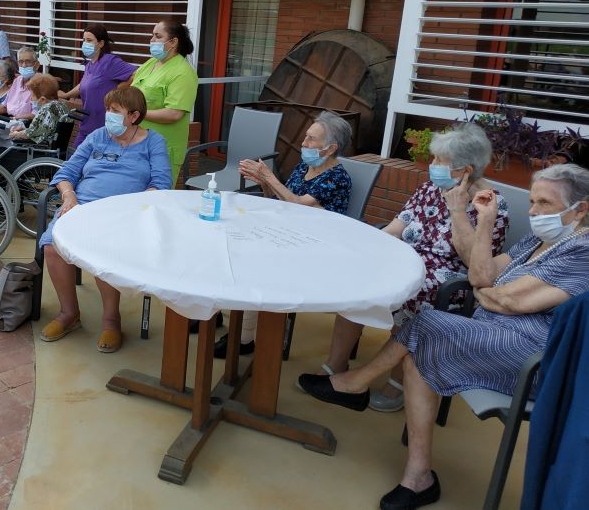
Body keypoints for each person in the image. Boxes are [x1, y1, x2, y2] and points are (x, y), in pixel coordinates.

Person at [297, 163, 589, 510]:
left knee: (427, 324)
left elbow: (509, 300)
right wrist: (485, 224)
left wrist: (489, 293)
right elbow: (482, 276)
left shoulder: (582, 252)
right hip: (493, 335)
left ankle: (353, 384)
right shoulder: (538, 240)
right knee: (420, 355)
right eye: (533, 202)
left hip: (535, 361)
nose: (534, 212)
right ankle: (419, 477)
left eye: (545, 203)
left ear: (580, 209)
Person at [307, 122, 510, 412]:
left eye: (440, 161)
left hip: (447, 279)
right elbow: (395, 228)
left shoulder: (490, 205)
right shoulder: (430, 188)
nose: (433, 165)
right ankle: (336, 365)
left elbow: (472, 262)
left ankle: (398, 382)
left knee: (418, 292)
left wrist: (457, 210)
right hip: (403, 260)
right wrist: (363, 246)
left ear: (465, 170)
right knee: (358, 279)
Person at [39, 87, 172, 353]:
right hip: (82, 206)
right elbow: (67, 172)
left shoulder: (153, 142)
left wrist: (135, 207)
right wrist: (69, 197)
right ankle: (69, 313)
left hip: (123, 213)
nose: (108, 115)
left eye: (115, 111)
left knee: (105, 252)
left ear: (133, 116)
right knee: (52, 246)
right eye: (108, 109)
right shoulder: (98, 136)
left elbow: (161, 184)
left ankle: (111, 320)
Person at [217, 111, 354, 357]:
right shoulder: (305, 167)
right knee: (227, 241)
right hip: (284, 232)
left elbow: (299, 205)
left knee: (254, 261)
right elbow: (282, 201)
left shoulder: (337, 177)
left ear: (331, 148)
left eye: (311, 139)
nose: (304, 143)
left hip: (313, 244)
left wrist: (269, 176)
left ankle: (244, 336)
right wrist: (265, 184)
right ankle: (215, 311)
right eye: (306, 136)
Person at [130, 19, 199, 184]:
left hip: (163, 148)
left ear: (173, 42)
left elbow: (174, 113)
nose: (152, 40)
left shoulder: (183, 72)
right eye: (152, 35)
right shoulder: (151, 63)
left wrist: (136, 114)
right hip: (137, 142)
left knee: (156, 193)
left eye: (158, 36)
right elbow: (132, 85)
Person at [58, 24, 135, 147]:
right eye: (84, 40)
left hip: (104, 126)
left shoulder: (110, 61)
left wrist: (117, 90)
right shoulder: (89, 65)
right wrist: (66, 95)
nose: (85, 43)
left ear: (101, 43)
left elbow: (136, 74)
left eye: (89, 40)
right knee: (76, 155)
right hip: (87, 123)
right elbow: (82, 85)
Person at [0, 47, 40, 121]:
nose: (24, 65)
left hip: (24, 123)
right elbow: (4, 106)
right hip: (9, 121)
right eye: (21, 62)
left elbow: (36, 115)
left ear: (36, 65)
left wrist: (15, 119)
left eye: (28, 62)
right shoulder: (17, 81)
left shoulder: (40, 85)